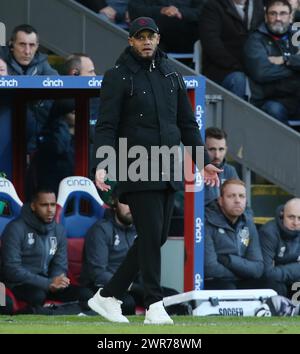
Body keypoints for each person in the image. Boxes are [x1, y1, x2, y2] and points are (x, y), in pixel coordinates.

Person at [88, 16, 221, 324]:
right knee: (150, 235)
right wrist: (102, 165)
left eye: (151, 36)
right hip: (135, 166)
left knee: (156, 237)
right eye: (140, 36)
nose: (146, 40)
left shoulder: (172, 75)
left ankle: (108, 296)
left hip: (168, 166)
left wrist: (202, 161)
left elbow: (187, 124)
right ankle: (154, 305)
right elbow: (106, 125)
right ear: (130, 40)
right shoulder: (117, 76)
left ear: (159, 39)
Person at [0, 188, 92, 310]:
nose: (50, 210)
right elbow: (11, 270)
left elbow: (60, 264)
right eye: (44, 205)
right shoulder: (15, 229)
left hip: (49, 283)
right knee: (38, 295)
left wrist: (57, 281)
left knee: (86, 294)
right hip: (20, 284)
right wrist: (47, 284)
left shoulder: (59, 230)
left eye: (53, 205)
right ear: (33, 206)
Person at [0, 24, 58, 152]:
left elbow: (57, 83)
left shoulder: (41, 63)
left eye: (32, 45)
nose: (27, 51)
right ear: (11, 45)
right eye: (22, 44)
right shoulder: (1, 60)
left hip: (31, 128)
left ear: (37, 46)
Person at [244, 0, 300, 124]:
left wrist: (286, 59)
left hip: (295, 97)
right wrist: (295, 69)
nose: (278, 18)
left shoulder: (296, 37)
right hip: (270, 99)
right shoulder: (255, 39)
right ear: (266, 16)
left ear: (291, 17)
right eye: (273, 13)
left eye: (283, 13)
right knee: (274, 110)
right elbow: (261, 72)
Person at [204, 179, 264, 290]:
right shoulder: (206, 222)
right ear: (220, 200)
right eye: (231, 196)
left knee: (273, 286)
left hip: (241, 279)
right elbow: (210, 268)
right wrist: (241, 273)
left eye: (241, 196)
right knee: (229, 288)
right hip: (215, 281)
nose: (237, 200)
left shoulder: (248, 223)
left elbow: (258, 268)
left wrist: (228, 260)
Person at [199, 0, 264, 98]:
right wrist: (238, 66)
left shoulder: (258, 5)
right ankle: (238, 113)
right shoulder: (212, 6)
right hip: (223, 69)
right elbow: (212, 44)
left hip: (254, 66)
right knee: (238, 80)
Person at [259, 198, 300, 298]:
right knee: (277, 287)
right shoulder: (269, 232)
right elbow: (267, 273)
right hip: (271, 282)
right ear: (282, 215)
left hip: (292, 279)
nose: (295, 222)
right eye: (291, 217)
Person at [128, 0, 205, 53]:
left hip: (186, 34)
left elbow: (204, 11)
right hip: (155, 31)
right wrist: (161, 10)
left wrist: (179, 12)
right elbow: (135, 9)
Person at [205, 127, 239, 205]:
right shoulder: (190, 170)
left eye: (221, 149)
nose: (217, 155)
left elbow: (242, 203)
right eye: (212, 149)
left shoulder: (230, 171)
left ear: (226, 149)